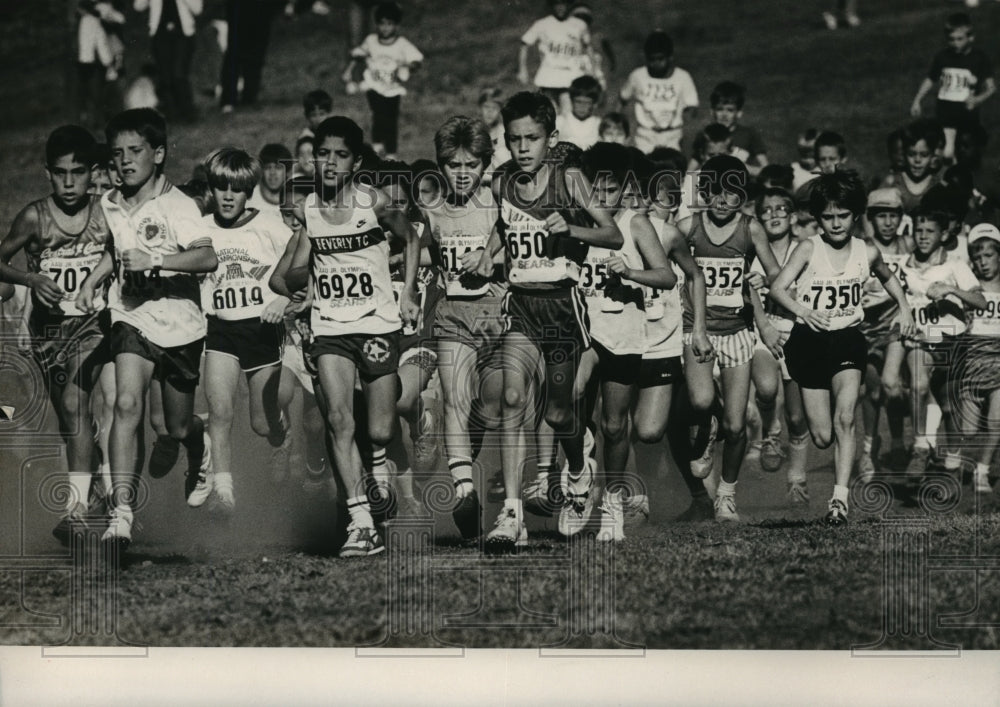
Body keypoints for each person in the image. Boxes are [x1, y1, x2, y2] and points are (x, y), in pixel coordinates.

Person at [475, 91, 622, 552]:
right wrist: (487, 253)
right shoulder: (501, 183)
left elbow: (612, 233)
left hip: (562, 305)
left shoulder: (570, 180)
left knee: (559, 414)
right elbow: (504, 224)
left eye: (532, 139)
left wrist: (571, 228)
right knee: (514, 397)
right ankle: (512, 513)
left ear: (550, 139)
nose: (522, 148)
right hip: (521, 303)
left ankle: (578, 469)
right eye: (514, 139)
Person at [76, 108, 218, 550]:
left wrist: (157, 260)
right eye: (116, 153)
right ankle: (121, 514)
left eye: (135, 151)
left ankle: (198, 443)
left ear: (157, 154)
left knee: (173, 427)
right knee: (124, 403)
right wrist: (93, 279)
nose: (124, 161)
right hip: (130, 316)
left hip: (180, 326)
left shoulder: (179, 206)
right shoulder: (110, 201)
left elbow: (207, 258)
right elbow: (115, 250)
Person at [283, 116, 420, 558]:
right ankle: (361, 522)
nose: (329, 163)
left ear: (355, 161)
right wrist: (301, 288)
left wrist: (410, 293)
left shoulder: (373, 202)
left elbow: (413, 236)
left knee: (379, 429)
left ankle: (379, 468)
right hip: (331, 329)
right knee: (339, 419)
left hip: (378, 324)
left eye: (340, 155)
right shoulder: (308, 209)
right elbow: (295, 269)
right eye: (322, 154)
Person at [770, 171, 914, 525]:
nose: (836, 224)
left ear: (855, 215)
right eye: (828, 217)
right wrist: (803, 310)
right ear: (818, 218)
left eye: (843, 216)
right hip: (810, 341)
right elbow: (777, 288)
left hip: (848, 338)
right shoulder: (808, 248)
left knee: (847, 417)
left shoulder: (867, 250)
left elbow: (888, 277)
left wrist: (906, 308)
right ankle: (835, 443)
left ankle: (839, 501)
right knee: (821, 435)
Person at [0, 126, 114, 544]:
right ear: (48, 173)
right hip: (47, 332)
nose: (69, 183)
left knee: (74, 403)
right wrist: (30, 278)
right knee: (70, 418)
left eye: (79, 173)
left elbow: (123, 254)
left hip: (93, 324)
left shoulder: (108, 212)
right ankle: (98, 480)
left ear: (93, 173)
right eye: (61, 173)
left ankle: (76, 510)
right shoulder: (34, 216)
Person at [572, 143, 676, 541]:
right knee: (572, 397)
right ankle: (576, 476)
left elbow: (665, 277)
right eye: (594, 190)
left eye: (611, 191)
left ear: (624, 188)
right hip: (583, 332)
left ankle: (612, 501)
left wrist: (630, 272)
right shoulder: (577, 222)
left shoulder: (635, 224)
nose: (602, 199)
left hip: (624, 335)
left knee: (615, 426)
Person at [676, 154, 781, 522]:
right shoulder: (688, 226)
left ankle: (726, 494)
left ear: (744, 197)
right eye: (714, 192)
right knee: (702, 400)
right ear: (704, 192)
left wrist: (762, 280)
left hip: (738, 331)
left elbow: (775, 273)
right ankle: (707, 429)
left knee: (737, 425)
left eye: (731, 194)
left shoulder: (750, 229)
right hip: (697, 328)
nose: (722, 201)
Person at [419, 116, 506, 539]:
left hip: (497, 313)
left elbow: (527, 244)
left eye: (471, 164)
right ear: (441, 166)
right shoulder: (432, 212)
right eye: (454, 165)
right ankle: (465, 493)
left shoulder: (498, 203)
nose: (463, 173)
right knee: (455, 398)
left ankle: (478, 467)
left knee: (489, 404)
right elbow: (424, 256)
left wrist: (493, 259)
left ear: (485, 164)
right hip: (453, 313)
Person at [200, 147, 294, 512]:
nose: (227, 196)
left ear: (248, 190)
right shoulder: (201, 228)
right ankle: (223, 493)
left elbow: (304, 264)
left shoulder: (270, 225)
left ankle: (282, 432)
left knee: (261, 423)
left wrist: (284, 300)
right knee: (220, 410)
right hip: (220, 330)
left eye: (236, 189)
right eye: (221, 187)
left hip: (262, 329)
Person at [631, 148, 712, 522]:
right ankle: (635, 498)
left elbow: (695, 276)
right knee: (622, 423)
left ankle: (699, 490)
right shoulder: (612, 229)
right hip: (624, 338)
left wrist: (698, 329)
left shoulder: (669, 233)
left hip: (666, 339)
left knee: (657, 428)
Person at [897, 206, 985, 478]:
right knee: (918, 385)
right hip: (920, 342)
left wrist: (950, 290)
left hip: (951, 341)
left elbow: (980, 301)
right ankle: (921, 447)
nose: (922, 237)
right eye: (918, 231)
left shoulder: (955, 266)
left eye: (929, 231)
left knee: (948, 406)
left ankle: (953, 461)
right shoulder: (904, 265)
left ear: (943, 234)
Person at [745, 188, 813, 502]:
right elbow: (748, 295)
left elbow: (808, 294)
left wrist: (775, 288)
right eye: (767, 210)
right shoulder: (753, 251)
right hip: (766, 331)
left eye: (781, 209)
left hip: (799, 334)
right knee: (767, 388)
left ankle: (797, 481)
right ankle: (770, 433)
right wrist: (763, 321)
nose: (774, 215)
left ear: (794, 216)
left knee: (798, 418)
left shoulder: (806, 250)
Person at [858, 188, 911, 478]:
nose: (888, 222)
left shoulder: (908, 245)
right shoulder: (862, 247)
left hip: (895, 325)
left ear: (901, 218)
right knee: (873, 390)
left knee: (891, 385)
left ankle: (900, 442)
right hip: (865, 327)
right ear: (871, 218)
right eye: (882, 216)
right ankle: (868, 449)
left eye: (894, 215)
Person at [951, 223, 1000, 493]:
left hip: (998, 366)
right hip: (971, 366)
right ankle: (955, 459)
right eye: (977, 258)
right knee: (968, 431)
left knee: (996, 421)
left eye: (988, 256)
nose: (983, 263)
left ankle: (983, 470)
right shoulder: (970, 288)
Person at [342, 1, 423, 159]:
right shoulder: (371, 41)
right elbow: (358, 54)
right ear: (377, 24)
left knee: (391, 119)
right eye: (382, 24)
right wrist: (350, 68)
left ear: (396, 25)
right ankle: (377, 144)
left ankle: (391, 152)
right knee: (378, 113)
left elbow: (416, 59)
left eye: (389, 24)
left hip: (392, 89)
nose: (385, 28)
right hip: (374, 85)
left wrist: (409, 67)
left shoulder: (402, 44)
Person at [910, 12, 995, 161]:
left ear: (971, 37)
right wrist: (917, 100)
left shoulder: (979, 58)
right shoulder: (943, 57)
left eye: (960, 39)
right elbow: (931, 79)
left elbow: (991, 87)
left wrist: (978, 99)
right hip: (945, 112)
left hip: (967, 114)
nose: (955, 43)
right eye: (951, 39)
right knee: (947, 153)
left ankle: (965, 177)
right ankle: (947, 176)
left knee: (966, 152)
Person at [619, 30, 698, 154]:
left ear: (670, 57)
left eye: (660, 59)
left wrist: (685, 132)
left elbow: (691, 107)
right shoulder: (638, 76)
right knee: (642, 169)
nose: (656, 63)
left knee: (671, 169)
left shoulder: (682, 77)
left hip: (673, 135)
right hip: (645, 135)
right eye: (652, 59)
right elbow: (623, 98)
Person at [134, 0, 203, 122]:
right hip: (160, 34)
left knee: (179, 73)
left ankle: (188, 112)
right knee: (165, 75)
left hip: (183, 35)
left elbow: (198, 9)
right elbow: (138, 6)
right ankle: (171, 113)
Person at [518, 0, 591, 114]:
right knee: (550, 113)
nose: (561, 8)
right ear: (552, 5)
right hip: (549, 74)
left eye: (564, 4)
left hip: (570, 74)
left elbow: (588, 47)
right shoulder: (542, 24)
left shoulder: (580, 25)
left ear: (569, 5)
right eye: (557, 4)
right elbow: (524, 44)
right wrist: (522, 69)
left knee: (568, 112)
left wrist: (592, 70)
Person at [219, 0, 282, 113]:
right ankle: (228, 99)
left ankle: (250, 97)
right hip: (239, 9)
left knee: (256, 55)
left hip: (262, 10)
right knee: (234, 54)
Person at [710, 81, 768, 177]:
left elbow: (766, 170)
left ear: (739, 113)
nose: (724, 115)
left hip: (742, 186)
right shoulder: (707, 135)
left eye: (730, 110)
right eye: (720, 109)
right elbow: (691, 171)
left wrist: (744, 168)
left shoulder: (749, 134)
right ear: (712, 112)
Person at [556, 75, 602, 150]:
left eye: (587, 103)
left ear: (594, 104)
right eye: (578, 102)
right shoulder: (560, 122)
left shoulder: (598, 124)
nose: (582, 107)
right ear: (571, 100)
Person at [249, 143, 292, 218]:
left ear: (286, 171)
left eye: (278, 167)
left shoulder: (295, 198)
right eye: (267, 167)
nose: (272, 173)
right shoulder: (250, 197)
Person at [479, 88, 512, 176]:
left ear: (500, 110)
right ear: (480, 108)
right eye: (486, 107)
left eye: (494, 108)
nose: (489, 112)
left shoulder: (504, 134)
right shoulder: (478, 131)